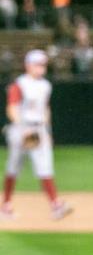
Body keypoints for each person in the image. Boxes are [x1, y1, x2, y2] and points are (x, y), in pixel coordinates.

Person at [1, 50, 72, 220]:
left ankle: (56, 205)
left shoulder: (45, 85)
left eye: (43, 64)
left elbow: (45, 109)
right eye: (37, 64)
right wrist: (23, 128)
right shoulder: (20, 84)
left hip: (38, 130)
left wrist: (47, 131)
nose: (41, 67)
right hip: (21, 129)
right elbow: (11, 108)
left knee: (45, 167)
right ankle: (5, 205)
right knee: (13, 168)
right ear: (28, 65)